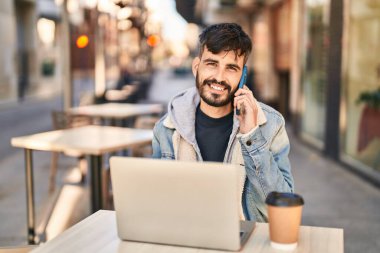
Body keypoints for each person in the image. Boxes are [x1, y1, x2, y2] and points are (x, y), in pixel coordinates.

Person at [152, 23, 294, 222]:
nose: (219, 77)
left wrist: (252, 136)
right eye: (211, 64)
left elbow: (283, 208)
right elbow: (157, 202)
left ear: (243, 76)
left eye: (231, 68)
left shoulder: (270, 124)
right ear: (196, 67)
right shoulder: (166, 129)